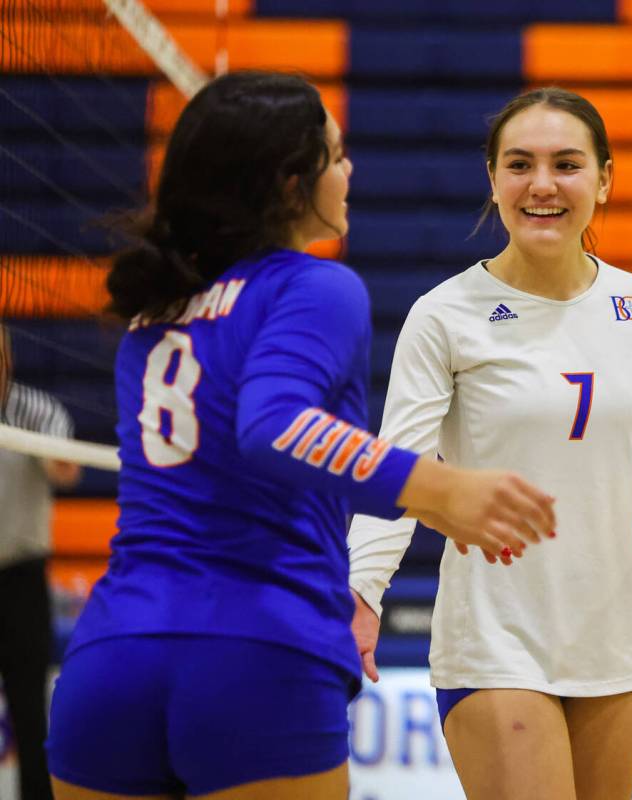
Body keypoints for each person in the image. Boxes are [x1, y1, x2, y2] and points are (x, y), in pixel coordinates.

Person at [44, 72, 556, 800]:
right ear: (291, 185)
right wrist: (444, 483)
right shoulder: (314, 287)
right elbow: (275, 428)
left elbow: (238, 468)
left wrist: (416, 504)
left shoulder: (154, 310)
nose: (350, 171)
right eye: (337, 155)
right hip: (255, 656)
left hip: (110, 658)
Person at [347, 87, 632, 800]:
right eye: (520, 164)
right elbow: (396, 473)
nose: (542, 184)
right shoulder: (443, 316)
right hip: (494, 640)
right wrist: (361, 591)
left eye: (566, 164)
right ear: (493, 178)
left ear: (604, 179)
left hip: (609, 643)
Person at [0, 325, 80, 800]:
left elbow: (67, 472)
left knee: (31, 711)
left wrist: (38, 451)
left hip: (21, 575)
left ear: (8, 355)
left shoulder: (36, 410)